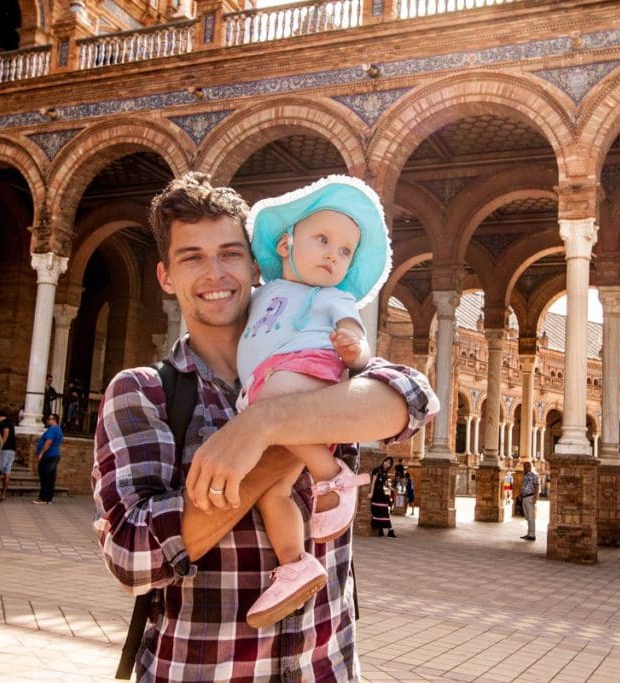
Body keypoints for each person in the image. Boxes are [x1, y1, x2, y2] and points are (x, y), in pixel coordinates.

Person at [91, 172, 437, 681]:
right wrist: (281, 447)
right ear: (166, 276)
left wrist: (263, 422)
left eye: (230, 253)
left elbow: (412, 399)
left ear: (255, 265)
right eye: (192, 257)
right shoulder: (143, 393)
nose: (215, 273)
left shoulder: (324, 353)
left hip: (325, 668)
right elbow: (132, 555)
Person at [234, 175, 390, 625]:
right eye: (323, 240)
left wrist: (353, 350)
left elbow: (358, 336)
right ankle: (294, 563)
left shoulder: (333, 296)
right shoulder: (261, 295)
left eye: (345, 251)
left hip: (308, 376)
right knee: (272, 488)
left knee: (271, 400)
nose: (333, 255)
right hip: (266, 394)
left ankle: (331, 473)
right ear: (285, 245)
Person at [34, 413, 63, 504]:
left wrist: (41, 453)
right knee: (50, 477)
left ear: (54, 420)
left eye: (50, 419)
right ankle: (48, 498)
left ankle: (43, 498)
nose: (47, 420)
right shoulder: (58, 429)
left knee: (45, 476)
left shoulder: (53, 429)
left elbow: (48, 442)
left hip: (49, 456)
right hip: (54, 455)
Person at [369, 457, 396, 537]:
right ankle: (388, 530)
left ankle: (382, 530)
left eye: (389, 463)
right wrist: (371, 493)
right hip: (376, 493)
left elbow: (386, 484)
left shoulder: (385, 472)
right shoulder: (377, 470)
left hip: (382, 493)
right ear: (383, 461)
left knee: (384, 511)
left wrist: (392, 489)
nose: (387, 464)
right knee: (380, 511)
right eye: (386, 462)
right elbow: (373, 482)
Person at [0, 407, 16, 497]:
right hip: (12, 450)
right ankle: (3, 493)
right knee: (7, 472)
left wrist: (1, 446)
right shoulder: (10, 422)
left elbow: (6, 433)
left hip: (6, 449)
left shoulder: (5, 423)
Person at [519, 461, 539, 541]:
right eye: (524, 467)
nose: (524, 468)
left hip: (530, 497)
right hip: (525, 497)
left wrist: (535, 497)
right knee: (527, 517)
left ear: (529, 467)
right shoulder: (525, 476)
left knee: (531, 517)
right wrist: (521, 495)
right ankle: (529, 533)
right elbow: (524, 486)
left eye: (526, 467)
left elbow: (536, 485)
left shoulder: (533, 475)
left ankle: (532, 535)